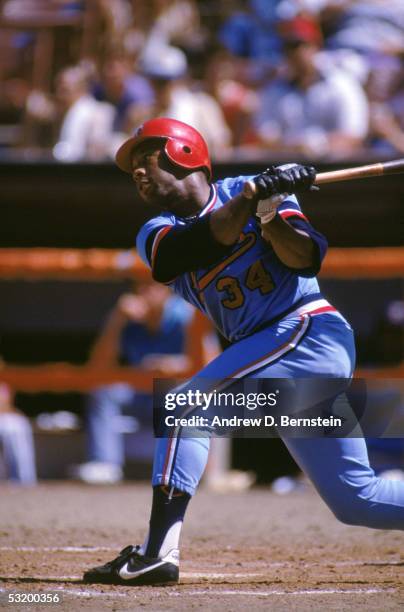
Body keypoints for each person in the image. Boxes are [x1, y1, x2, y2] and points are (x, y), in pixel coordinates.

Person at [83, 118, 404, 587]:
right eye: (132, 166)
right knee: (358, 500)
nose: (137, 172)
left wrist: (273, 215)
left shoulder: (258, 194)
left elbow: (307, 257)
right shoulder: (155, 230)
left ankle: (157, 553)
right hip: (272, 356)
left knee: (185, 408)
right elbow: (191, 247)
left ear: (184, 153)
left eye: (145, 158)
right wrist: (252, 201)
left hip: (307, 331)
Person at [72, 278, 194, 484]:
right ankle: (105, 464)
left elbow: (212, 363)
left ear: (168, 290)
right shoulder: (128, 318)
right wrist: (116, 320)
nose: (147, 292)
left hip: (172, 397)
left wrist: (172, 365)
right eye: (141, 287)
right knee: (103, 389)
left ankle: (180, 470)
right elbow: (97, 368)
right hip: (139, 396)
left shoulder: (186, 315)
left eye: (153, 286)